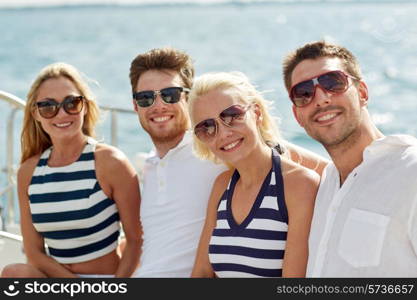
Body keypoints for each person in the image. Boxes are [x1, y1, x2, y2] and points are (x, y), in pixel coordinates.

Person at [129, 47, 327, 277]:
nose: (158, 105)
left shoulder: (218, 153)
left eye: (170, 94)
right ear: (135, 105)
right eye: (145, 98)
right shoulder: (159, 167)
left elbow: (321, 169)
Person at [282, 40, 417, 277]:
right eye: (304, 93)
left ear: (362, 93)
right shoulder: (326, 183)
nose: (321, 98)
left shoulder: (410, 171)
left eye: (333, 82)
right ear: (297, 115)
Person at [0, 62, 141, 278]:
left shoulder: (110, 162)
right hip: (62, 284)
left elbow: (135, 241)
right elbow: (33, 252)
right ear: (36, 113)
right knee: (13, 274)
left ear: (84, 106)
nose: (61, 114)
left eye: (71, 103)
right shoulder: (29, 172)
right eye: (48, 106)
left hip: (109, 283)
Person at [189, 71, 320, 277]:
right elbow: (202, 273)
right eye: (207, 127)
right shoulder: (222, 186)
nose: (223, 133)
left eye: (232, 115)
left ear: (256, 113)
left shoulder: (299, 185)